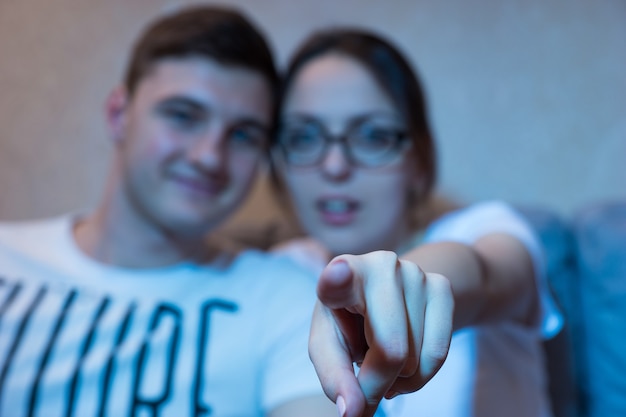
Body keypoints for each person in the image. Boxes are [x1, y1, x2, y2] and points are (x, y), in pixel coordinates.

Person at [0, 6, 454, 417]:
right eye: (183, 115)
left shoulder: (287, 292)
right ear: (119, 114)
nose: (209, 157)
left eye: (242, 135)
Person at [270, 28, 563, 417]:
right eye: (305, 136)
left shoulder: (485, 228)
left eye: (373, 136)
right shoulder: (283, 268)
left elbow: (485, 274)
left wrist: (406, 285)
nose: (335, 166)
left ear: (419, 161)